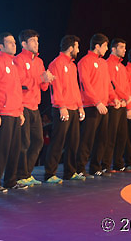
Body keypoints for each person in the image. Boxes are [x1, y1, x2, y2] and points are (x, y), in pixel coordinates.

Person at [0, 32, 27, 192]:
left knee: (15, 149)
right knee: (0, 149)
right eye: (9, 42)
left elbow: (17, 90)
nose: (13, 44)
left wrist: (21, 111)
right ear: (1, 46)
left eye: (13, 42)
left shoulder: (13, 64)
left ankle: (11, 180)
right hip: (3, 113)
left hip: (15, 113)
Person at [14, 29, 54, 187]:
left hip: (34, 105)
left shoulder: (39, 61)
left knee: (37, 141)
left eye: (37, 41)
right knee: (24, 142)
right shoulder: (18, 60)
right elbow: (20, 83)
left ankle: (26, 173)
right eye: (33, 41)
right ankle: (20, 175)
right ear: (24, 44)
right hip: (22, 105)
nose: (37, 44)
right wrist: (40, 78)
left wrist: (47, 80)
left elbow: (43, 87)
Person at [76, 33, 119, 178]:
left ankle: (95, 167)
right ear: (97, 46)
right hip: (91, 106)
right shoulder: (84, 62)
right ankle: (80, 168)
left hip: (104, 106)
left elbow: (108, 84)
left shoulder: (103, 63)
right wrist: (97, 102)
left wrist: (114, 98)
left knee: (102, 138)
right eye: (105, 46)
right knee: (87, 139)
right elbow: (85, 85)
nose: (107, 49)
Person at [44, 35, 86, 183]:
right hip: (62, 108)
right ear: (70, 48)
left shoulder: (73, 65)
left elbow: (75, 88)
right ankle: (50, 174)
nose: (78, 50)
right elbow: (55, 88)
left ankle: (70, 171)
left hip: (74, 108)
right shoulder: (56, 63)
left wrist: (80, 106)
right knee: (58, 141)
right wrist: (62, 106)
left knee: (74, 141)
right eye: (77, 47)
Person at [103, 38, 130, 174]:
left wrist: (127, 97)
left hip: (122, 104)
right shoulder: (108, 64)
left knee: (122, 135)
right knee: (110, 135)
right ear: (113, 49)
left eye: (125, 47)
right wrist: (120, 96)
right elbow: (111, 83)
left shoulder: (122, 66)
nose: (124, 50)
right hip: (112, 104)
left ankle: (118, 164)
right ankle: (106, 165)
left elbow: (126, 84)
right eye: (121, 47)